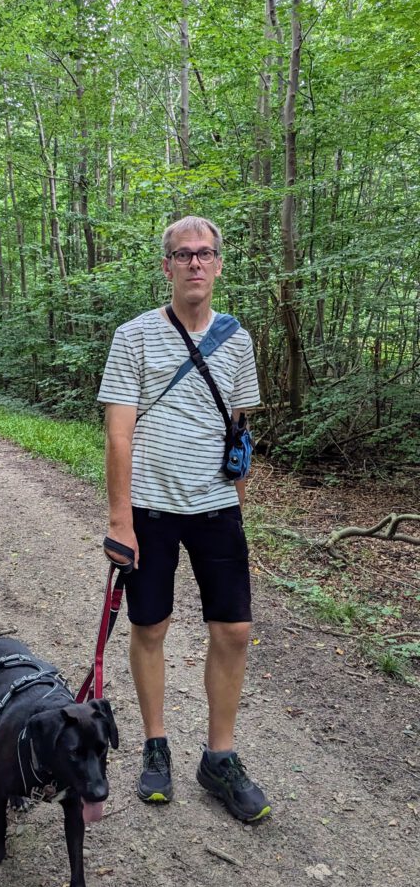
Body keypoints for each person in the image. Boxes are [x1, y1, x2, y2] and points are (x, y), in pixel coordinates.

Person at [97, 215, 270, 823]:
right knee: (150, 627)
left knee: (234, 631)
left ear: (219, 265)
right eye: (183, 254)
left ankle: (218, 757)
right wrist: (121, 520)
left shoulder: (239, 340)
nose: (195, 263)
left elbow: (240, 430)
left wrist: (239, 505)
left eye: (205, 254)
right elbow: (118, 434)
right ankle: (156, 745)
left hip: (217, 508)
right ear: (166, 266)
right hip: (150, 510)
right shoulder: (134, 336)